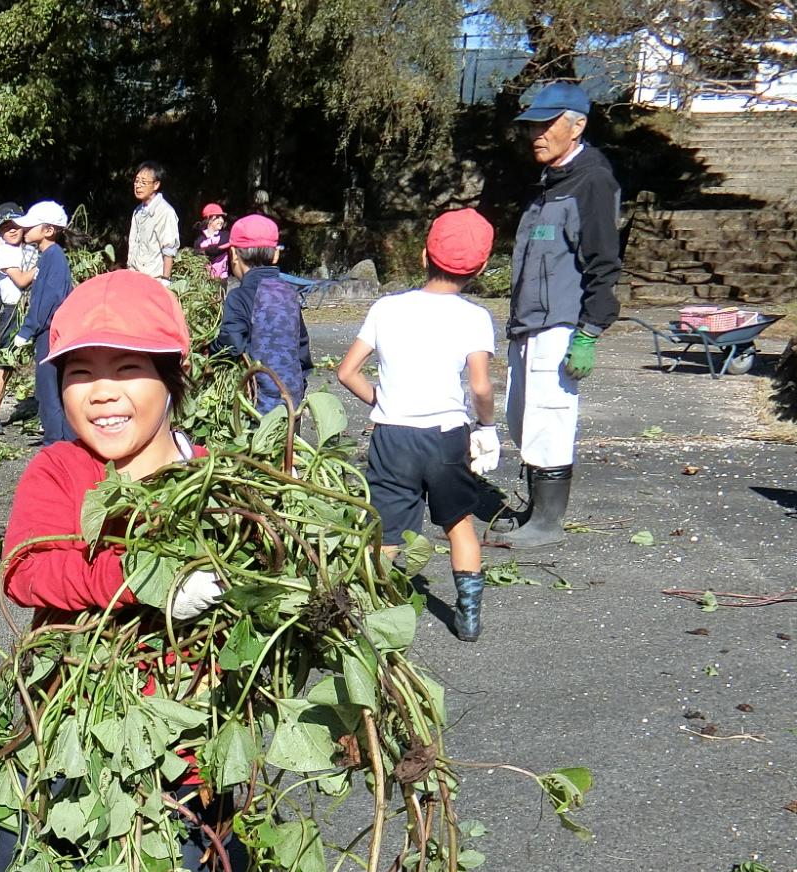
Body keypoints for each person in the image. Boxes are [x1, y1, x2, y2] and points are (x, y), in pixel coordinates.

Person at [0, 269, 273, 872]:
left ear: (174, 380)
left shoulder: (217, 479)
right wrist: (140, 580)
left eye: (128, 370)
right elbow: (30, 568)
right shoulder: (58, 470)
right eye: (81, 373)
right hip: (69, 744)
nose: (103, 392)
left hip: (188, 741)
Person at [334, 208, 500, 643]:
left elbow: (347, 371)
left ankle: (372, 615)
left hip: (392, 436)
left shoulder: (386, 308)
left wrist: (383, 400)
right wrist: (487, 427)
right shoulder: (475, 317)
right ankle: (468, 620)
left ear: (425, 256)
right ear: (481, 267)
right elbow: (480, 386)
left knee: (387, 532)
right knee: (459, 524)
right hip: (447, 437)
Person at [499, 78, 622, 549]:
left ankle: (548, 523)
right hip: (528, 323)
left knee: (550, 419)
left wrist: (589, 331)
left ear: (577, 126)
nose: (536, 134)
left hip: (560, 326)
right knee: (523, 417)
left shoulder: (593, 182)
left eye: (546, 125)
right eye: (532, 126)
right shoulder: (549, 183)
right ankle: (534, 510)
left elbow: (604, 262)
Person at [212, 213, 311, 415]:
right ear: (275, 256)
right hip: (291, 403)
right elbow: (302, 350)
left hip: (256, 407)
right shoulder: (290, 295)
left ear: (233, 254)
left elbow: (231, 344)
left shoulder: (239, 296)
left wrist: (211, 350)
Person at [10, 201, 76, 444]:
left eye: (30, 226)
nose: (24, 230)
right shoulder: (47, 256)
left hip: (50, 333)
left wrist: (28, 328)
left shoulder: (54, 257)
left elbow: (49, 299)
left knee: (49, 388)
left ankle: (57, 441)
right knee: (49, 386)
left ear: (49, 230)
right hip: (45, 332)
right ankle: (62, 440)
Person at [0, 207, 37, 437]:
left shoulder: (30, 249)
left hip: (30, 310)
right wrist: (42, 265)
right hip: (12, 313)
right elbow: (22, 281)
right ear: (0, 232)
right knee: (6, 365)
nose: (12, 231)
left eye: (15, 226)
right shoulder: (5, 253)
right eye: (6, 228)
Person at [126, 160, 179, 283]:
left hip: (153, 280)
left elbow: (169, 249)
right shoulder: (137, 211)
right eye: (136, 181)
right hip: (134, 276)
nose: (138, 186)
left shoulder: (165, 212)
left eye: (143, 182)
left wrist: (165, 279)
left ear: (156, 185)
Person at [195, 202, 230, 282]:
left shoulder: (225, 235)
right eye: (217, 217)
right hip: (205, 278)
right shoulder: (200, 239)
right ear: (208, 220)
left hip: (222, 277)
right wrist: (203, 251)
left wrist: (205, 251)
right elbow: (196, 253)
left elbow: (219, 249)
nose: (221, 220)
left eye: (222, 217)